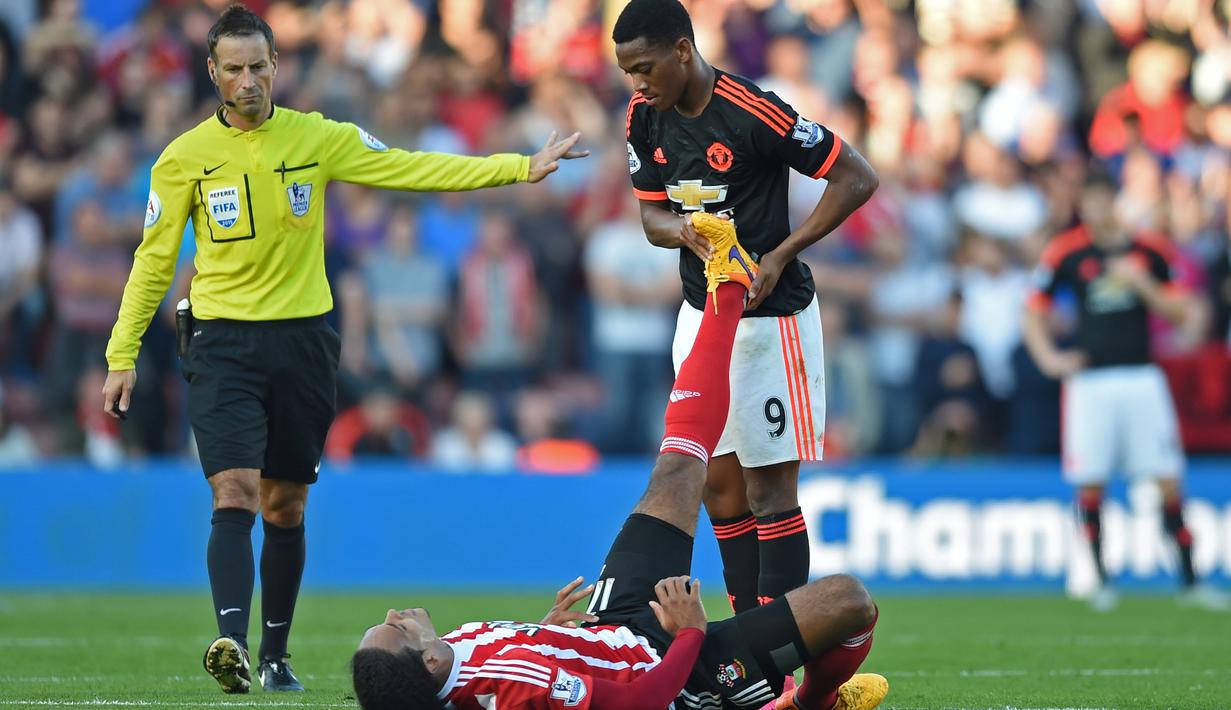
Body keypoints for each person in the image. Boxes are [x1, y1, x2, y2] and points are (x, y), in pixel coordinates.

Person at [100, 4, 588, 694]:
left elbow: (409, 168)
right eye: (234, 69)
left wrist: (516, 167)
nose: (248, 81)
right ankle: (231, 644)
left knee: (287, 504)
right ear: (212, 72)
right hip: (221, 343)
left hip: (303, 341)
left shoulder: (317, 137)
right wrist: (122, 353)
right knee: (234, 488)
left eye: (258, 66)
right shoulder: (183, 159)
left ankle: (274, 653)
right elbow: (152, 262)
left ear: (276, 66)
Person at [350, 225, 888, 710]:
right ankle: (810, 704)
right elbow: (640, 705)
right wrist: (690, 634)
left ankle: (725, 286)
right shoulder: (513, 689)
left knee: (675, 471)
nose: (395, 614)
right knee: (850, 601)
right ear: (427, 664)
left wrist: (547, 636)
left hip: (612, 624)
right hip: (673, 672)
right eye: (394, 630)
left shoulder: (452, 663)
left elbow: (518, 672)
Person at [613, 0, 878, 620]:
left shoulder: (752, 111)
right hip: (699, 318)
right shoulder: (642, 117)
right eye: (629, 73)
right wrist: (684, 233)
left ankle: (782, 653)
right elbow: (651, 215)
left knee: (770, 493)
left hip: (770, 323)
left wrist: (782, 254)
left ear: (683, 50)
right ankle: (746, 647)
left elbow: (856, 178)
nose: (639, 83)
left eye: (646, 67)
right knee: (721, 492)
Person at [1023, 173, 1229, 612]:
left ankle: (1191, 582)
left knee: (1167, 479)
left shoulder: (1149, 251)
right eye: (1089, 202)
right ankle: (1099, 580)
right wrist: (1049, 359)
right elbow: (1033, 310)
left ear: (1114, 202)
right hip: (1091, 383)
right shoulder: (1067, 251)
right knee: (1092, 482)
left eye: (1103, 201)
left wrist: (1142, 286)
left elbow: (1184, 311)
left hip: (1141, 378)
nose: (1097, 211)